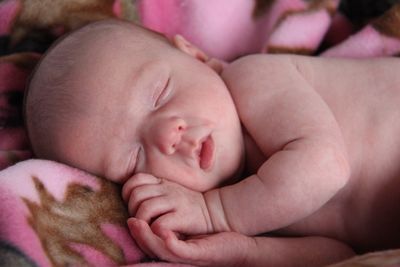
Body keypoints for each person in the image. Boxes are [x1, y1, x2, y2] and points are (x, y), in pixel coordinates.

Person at [24, 19, 400, 266]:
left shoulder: (255, 79)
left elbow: (324, 166)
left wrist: (216, 214)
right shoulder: (251, 202)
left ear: (196, 56)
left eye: (160, 94)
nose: (166, 137)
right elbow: (339, 255)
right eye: (133, 160)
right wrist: (244, 251)